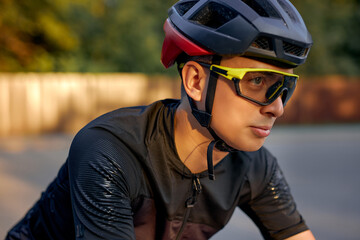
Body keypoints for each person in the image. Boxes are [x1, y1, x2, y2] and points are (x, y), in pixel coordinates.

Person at [7, 0, 315, 239]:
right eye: (257, 82)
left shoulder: (254, 167)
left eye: (284, 88)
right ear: (195, 81)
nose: (277, 108)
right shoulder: (109, 151)